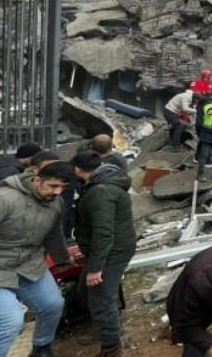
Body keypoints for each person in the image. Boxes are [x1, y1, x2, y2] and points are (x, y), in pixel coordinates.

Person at [0, 161, 74, 357]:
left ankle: (41, 347)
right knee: (11, 320)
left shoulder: (56, 203)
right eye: (53, 186)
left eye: (63, 188)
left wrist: (63, 258)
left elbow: (53, 234)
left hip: (29, 264)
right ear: (37, 180)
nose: (58, 192)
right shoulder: (6, 199)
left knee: (53, 304)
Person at [71, 151, 136, 357]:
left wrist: (96, 267)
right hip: (107, 250)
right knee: (88, 293)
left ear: (77, 169)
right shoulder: (103, 182)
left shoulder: (100, 191)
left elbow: (103, 231)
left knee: (100, 301)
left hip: (111, 252)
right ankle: (109, 328)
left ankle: (112, 348)